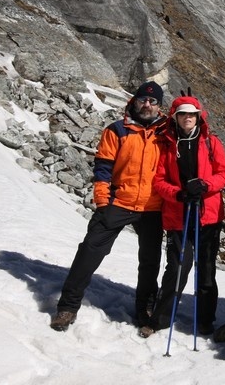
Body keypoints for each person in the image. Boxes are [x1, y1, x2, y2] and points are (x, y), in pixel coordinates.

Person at [51, 81, 167, 334]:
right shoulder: (116, 131)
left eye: (153, 101)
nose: (147, 105)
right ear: (134, 101)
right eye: (143, 100)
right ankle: (68, 306)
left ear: (160, 106)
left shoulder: (167, 133)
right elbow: (103, 168)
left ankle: (145, 310)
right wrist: (103, 200)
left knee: (150, 261)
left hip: (152, 206)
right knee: (90, 252)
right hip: (118, 202)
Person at [146, 93, 225, 337]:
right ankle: (159, 319)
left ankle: (205, 321)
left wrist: (205, 185)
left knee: (206, 270)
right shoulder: (166, 144)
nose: (187, 118)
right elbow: (159, 180)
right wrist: (179, 194)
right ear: (175, 117)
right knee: (177, 269)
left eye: (191, 114)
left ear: (198, 117)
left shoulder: (210, 142)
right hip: (179, 214)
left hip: (208, 215)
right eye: (182, 114)